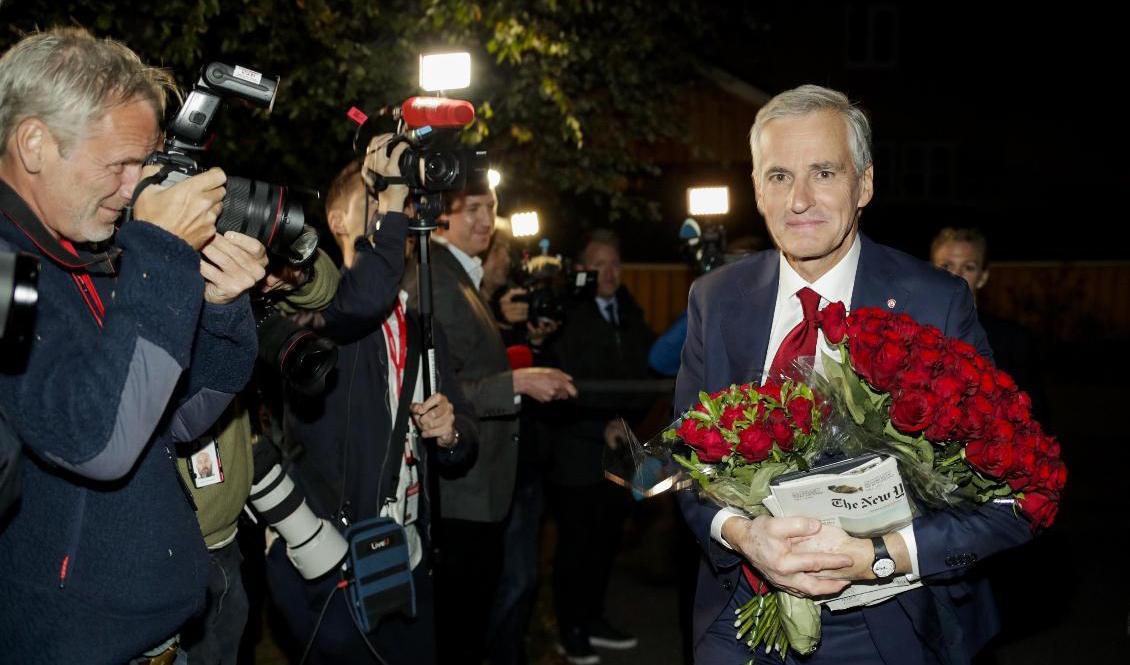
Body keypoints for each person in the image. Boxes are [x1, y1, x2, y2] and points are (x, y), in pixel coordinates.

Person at [676, 84, 1032, 664]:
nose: (799, 200)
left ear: (863, 184)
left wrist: (880, 556)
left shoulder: (932, 303)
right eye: (778, 176)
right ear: (757, 191)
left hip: (886, 620)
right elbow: (685, 463)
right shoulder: (717, 300)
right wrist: (741, 535)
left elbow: (1013, 496)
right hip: (738, 611)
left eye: (822, 172)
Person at [0, 28, 264, 663]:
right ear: (34, 143)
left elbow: (167, 418)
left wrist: (222, 311)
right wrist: (163, 253)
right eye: (118, 164)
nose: (132, 189)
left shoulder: (75, 254)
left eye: (142, 166)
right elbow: (97, 440)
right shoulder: (11, 275)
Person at [266, 155, 478, 665]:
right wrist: (392, 198)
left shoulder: (420, 321)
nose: (396, 213)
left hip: (408, 556)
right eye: (380, 203)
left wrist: (451, 434)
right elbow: (360, 303)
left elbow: (464, 436)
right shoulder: (312, 308)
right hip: (333, 557)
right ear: (337, 222)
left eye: (402, 204)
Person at [405, 182, 577, 663]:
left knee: (473, 624)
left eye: (491, 208)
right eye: (472, 209)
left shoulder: (461, 276)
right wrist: (518, 382)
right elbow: (433, 394)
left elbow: (471, 366)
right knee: (459, 631)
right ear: (440, 216)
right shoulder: (433, 279)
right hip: (460, 492)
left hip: (483, 485)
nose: (485, 220)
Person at [544, 229, 655, 664]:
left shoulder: (628, 310)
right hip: (575, 453)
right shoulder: (566, 314)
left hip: (620, 451)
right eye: (598, 264)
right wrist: (599, 424)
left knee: (607, 540)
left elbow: (646, 372)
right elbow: (560, 381)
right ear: (580, 269)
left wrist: (628, 420)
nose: (608, 273)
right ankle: (569, 628)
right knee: (575, 545)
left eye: (614, 264)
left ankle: (593, 619)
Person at [930, 227, 1045, 417]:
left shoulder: (1013, 340)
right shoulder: (913, 333)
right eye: (946, 266)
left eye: (969, 267)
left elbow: (1034, 413)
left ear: (983, 277)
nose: (957, 275)